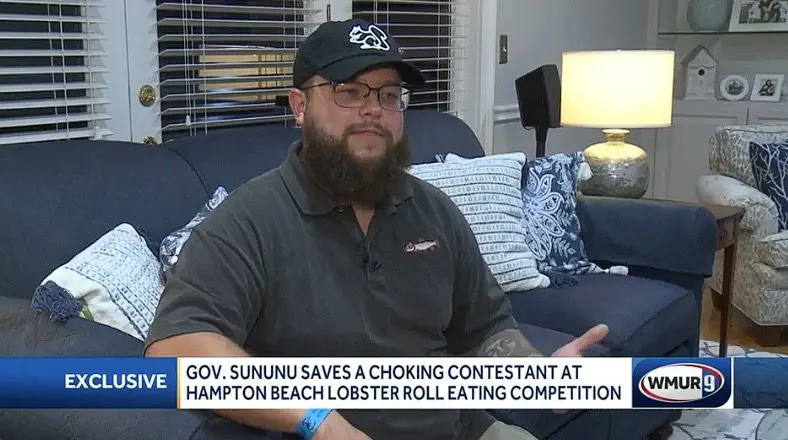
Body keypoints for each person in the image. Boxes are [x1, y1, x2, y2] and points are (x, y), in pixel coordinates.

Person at [144, 18, 609, 440]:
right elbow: (174, 350)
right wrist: (316, 418)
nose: (373, 110)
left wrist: (535, 376)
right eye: (349, 90)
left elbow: (485, 327)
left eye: (389, 95)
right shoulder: (248, 221)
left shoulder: (432, 210)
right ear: (299, 106)